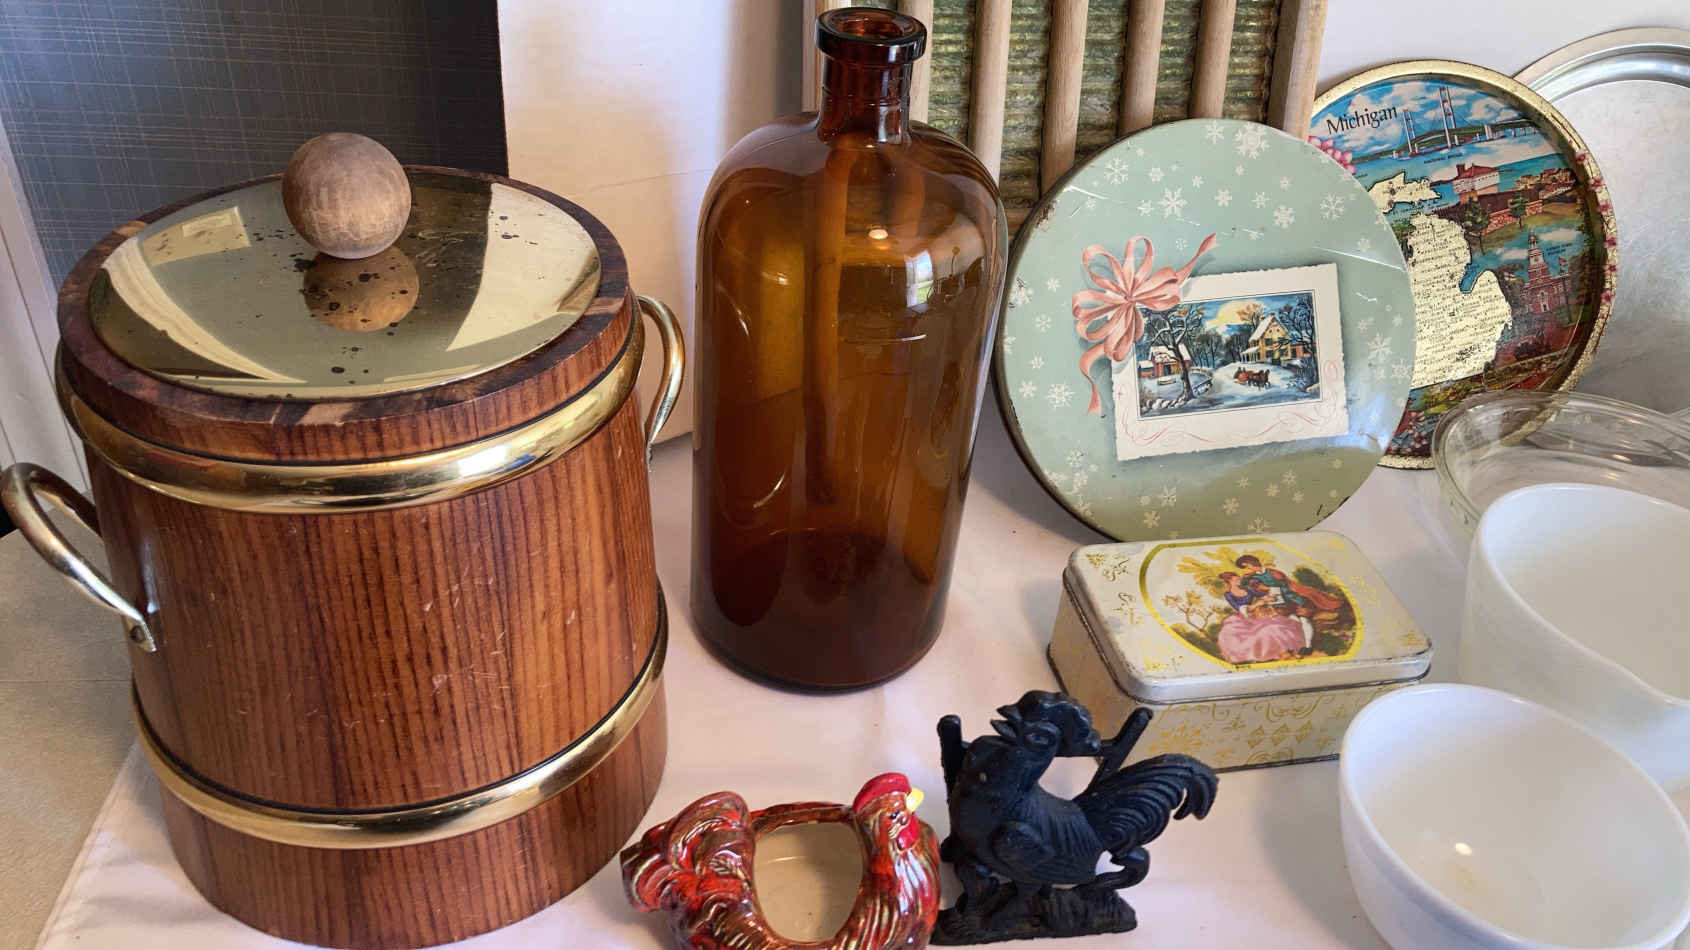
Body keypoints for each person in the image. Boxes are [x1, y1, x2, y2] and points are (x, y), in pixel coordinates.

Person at [1235, 555, 1344, 652]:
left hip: (1295, 598)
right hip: (1280, 602)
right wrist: (1252, 582)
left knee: (1304, 619)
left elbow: (1285, 586)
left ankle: (1308, 646)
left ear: (1253, 562)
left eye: (1248, 566)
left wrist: (1267, 589)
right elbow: (1243, 584)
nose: (1248, 569)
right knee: (1293, 620)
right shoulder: (1253, 576)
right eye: (1246, 567)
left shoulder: (1274, 573)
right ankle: (1301, 643)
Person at [1214, 571, 1305, 664]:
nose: (1240, 580)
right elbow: (1238, 608)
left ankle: (1283, 652)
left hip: (1255, 615)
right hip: (1242, 617)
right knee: (1233, 633)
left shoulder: (1247, 589)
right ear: (1230, 581)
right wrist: (1257, 604)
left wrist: (1269, 597)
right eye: (1237, 579)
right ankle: (1259, 656)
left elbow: (1262, 595)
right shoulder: (1228, 594)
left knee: (1274, 627)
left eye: (1240, 578)